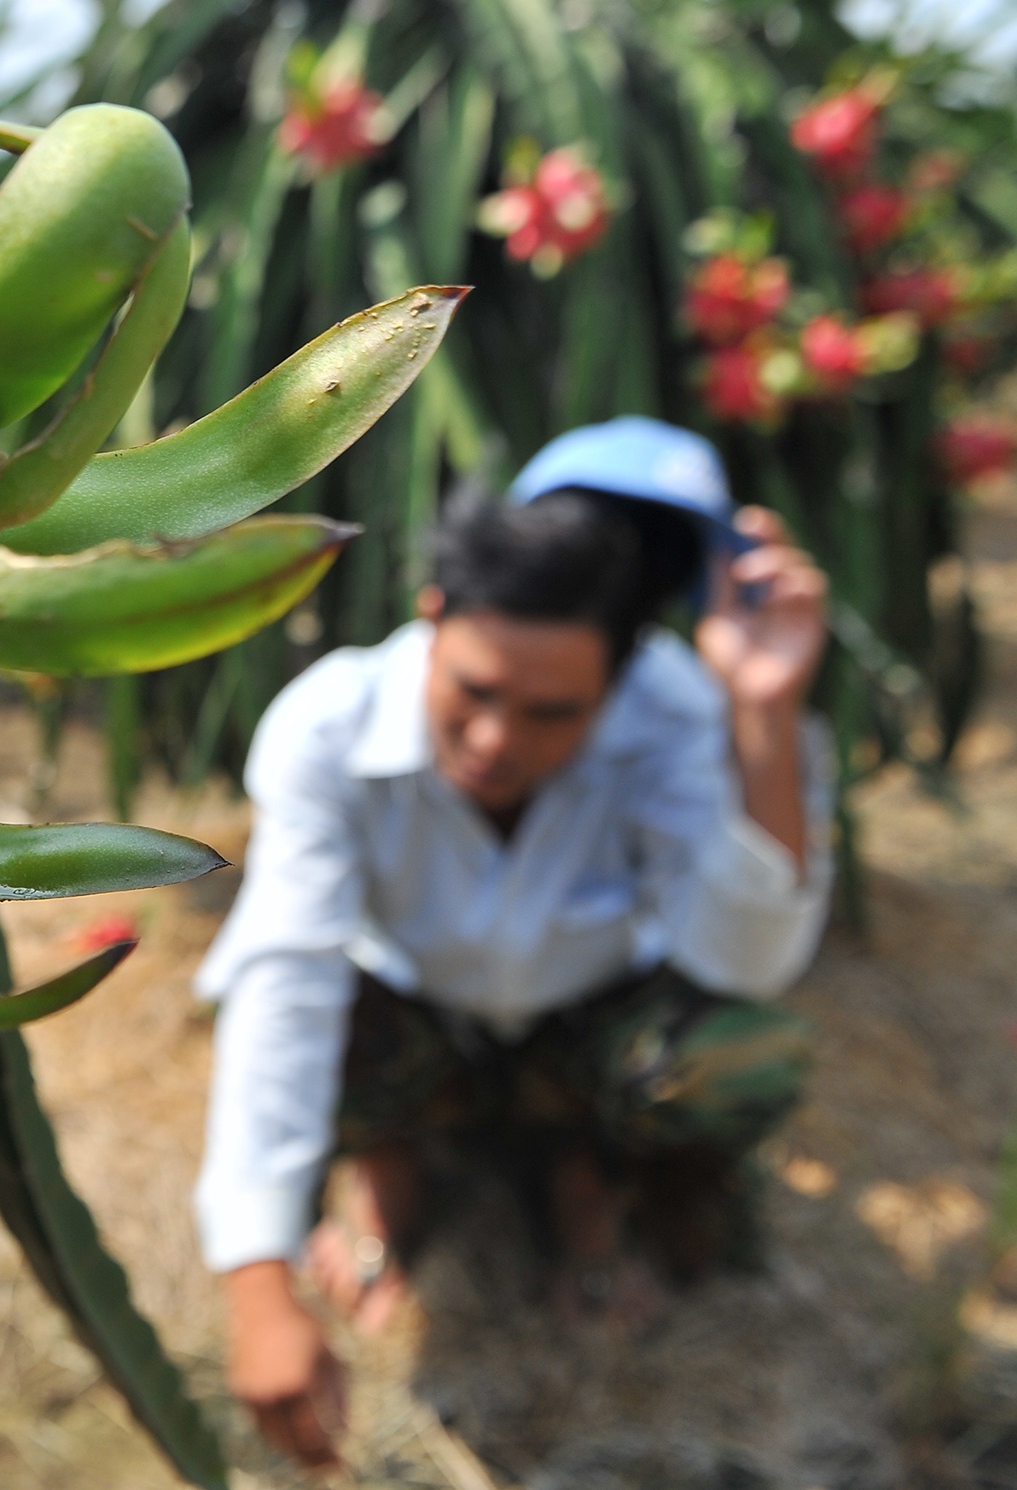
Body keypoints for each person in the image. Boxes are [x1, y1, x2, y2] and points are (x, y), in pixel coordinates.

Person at [192, 417, 834, 1469]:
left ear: (623, 668)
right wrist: (256, 1276)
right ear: (431, 613)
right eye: (473, 690)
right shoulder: (326, 722)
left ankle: (591, 1167)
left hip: (580, 1019)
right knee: (279, 999)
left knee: (734, 1054)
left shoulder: (672, 709)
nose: (495, 742)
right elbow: (286, 979)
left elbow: (744, 965)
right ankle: (389, 1161)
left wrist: (761, 717)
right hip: (409, 1013)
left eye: (550, 712)